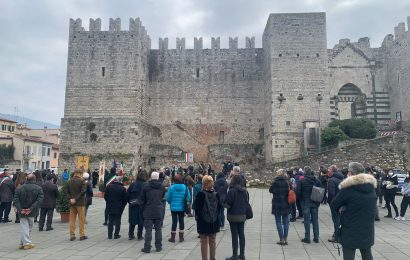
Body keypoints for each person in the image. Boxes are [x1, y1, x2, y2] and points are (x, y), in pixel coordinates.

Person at [331, 162, 377, 260]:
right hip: (367, 227)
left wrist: (340, 211)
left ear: (351, 173)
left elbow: (334, 205)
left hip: (350, 227)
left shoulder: (348, 188)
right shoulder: (371, 187)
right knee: (367, 253)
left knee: (349, 254)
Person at [13, 173, 44, 250]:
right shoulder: (38, 188)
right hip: (32, 211)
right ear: (34, 179)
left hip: (22, 211)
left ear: (27, 179)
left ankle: (22, 242)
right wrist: (30, 209)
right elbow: (39, 200)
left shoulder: (19, 188)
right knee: (28, 226)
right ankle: (26, 243)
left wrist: (21, 209)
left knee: (25, 227)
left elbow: (15, 200)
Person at [195, 175, 221, 260]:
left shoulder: (200, 194)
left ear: (203, 183)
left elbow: (197, 209)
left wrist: (197, 218)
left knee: (203, 241)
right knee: (212, 240)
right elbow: (220, 208)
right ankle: (212, 258)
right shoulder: (217, 194)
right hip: (214, 221)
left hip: (203, 221)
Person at [224, 174, 249, 260]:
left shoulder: (232, 191)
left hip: (233, 216)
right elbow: (247, 202)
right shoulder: (245, 191)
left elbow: (227, 205)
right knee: (241, 234)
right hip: (242, 215)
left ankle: (235, 255)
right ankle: (242, 254)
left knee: (234, 235)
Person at [141, 171, 165, 253]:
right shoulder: (161, 187)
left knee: (148, 230)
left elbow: (142, 199)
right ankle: (158, 246)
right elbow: (162, 196)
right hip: (158, 210)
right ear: (158, 178)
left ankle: (147, 247)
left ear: (151, 177)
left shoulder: (146, 187)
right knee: (158, 229)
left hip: (148, 210)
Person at [297, 166, 321, 243]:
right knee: (315, 220)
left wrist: (300, 199)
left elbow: (298, 192)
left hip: (305, 202)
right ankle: (316, 237)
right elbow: (321, 190)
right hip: (315, 202)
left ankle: (307, 237)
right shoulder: (316, 180)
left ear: (304, 172)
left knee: (306, 220)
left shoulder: (302, 180)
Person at [269, 169, 291, 245]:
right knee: (286, 223)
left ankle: (281, 239)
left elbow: (270, 190)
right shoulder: (287, 182)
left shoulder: (275, 182)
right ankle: (285, 238)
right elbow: (290, 192)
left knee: (278, 221)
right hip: (286, 204)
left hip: (277, 204)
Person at [166, 174, 190, 243]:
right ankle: (181, 237)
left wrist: (171, 202)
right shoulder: (185, 187)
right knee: (181, 221)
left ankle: (173, 237)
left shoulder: (171, 187)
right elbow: (188, 197)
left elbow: (168, 197)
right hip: (182, 207)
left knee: (174, 222)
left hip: (173, 207)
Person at [65, 169, 87, 241]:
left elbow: (66, 192)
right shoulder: (82, 181)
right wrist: (76, 199)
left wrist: (70, 199)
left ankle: (72, 235)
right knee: (81, 219)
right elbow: (83, 191)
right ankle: (81, 235)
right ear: (79, 173)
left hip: (72, 203)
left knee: (72, 219)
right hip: (80, 203)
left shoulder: (69, 181)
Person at [326, 165, 344, 242]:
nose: (328, 172)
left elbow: (331, 193)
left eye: (329, 170)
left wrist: (329, 201)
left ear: (332, 171)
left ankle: (336, 236)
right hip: (342, 201)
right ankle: (340, 233)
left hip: (334, 202)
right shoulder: (342, 178)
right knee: (340, 218)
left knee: (335, 218)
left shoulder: (332, 180)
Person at [128, 171, 145, 240]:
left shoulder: (132, 184)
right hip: (142, 205)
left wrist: (129, 202)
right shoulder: (145, 184)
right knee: (141, 220)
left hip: (133, 204)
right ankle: (139, 235)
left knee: (132, 220)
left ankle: (131, 234)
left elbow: (128, 194)